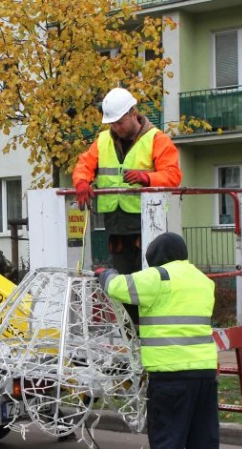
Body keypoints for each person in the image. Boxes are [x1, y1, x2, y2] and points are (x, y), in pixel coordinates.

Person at [96, 232, 221, 449]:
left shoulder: (160, 277)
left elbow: (117, 287)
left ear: (157, 256)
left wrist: (104, 272)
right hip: (204, 374)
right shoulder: (203, 280)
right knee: (203, 446)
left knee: (166, 448)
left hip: (171, 376)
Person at [72, 87, 182, 325]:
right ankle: (133, 333)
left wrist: (148, 179)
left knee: (148, 284)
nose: (116, 128)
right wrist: (81, 181)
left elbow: (173, 176)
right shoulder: (102, 141)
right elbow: (84, 164)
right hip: (117, 226)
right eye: (112, 124)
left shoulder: (157, 140)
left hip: (147, 225)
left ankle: (147, 333)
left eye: (120, 122)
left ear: (133, 113)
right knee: (124, 285)